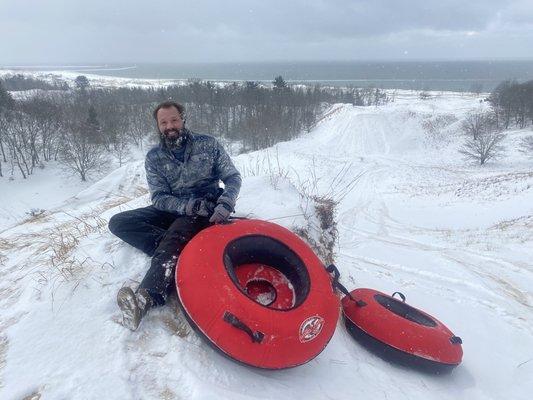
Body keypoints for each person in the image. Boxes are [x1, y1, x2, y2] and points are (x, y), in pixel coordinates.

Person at [108, 100, 241, 330]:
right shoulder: (154, 157)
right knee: (119, 222)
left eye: (174, 120)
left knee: (177, 234)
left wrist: (226, 202)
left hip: (204, 209)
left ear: (183, 119)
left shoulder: (208, 144)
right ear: (158, 126)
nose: (170, 126)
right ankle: (179, 249)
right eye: (164, 122)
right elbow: (159, 197)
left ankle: (147, 297)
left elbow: (232, 177)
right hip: (174, 208)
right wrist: (186, 206)